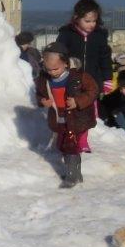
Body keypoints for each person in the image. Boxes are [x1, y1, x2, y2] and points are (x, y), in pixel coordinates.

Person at [37, 42, 97, 188]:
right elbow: (39, 93)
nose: (52, 72)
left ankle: (72, 176)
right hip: (60, 118)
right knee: (64, 146)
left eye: (55, 69)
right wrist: (42, 101)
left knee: (71, 146)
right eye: (48, 69)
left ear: (65, 63)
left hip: (77, 118)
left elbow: (93, 91)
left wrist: (77, 101)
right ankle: (76, 173)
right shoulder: (44, 79)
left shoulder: (79, 76)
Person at [55, 0, 113, 96]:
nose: (92, 24)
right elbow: (59, 54)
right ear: (76, 18)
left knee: (92, 104)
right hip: (71, 80)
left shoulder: (99, 36)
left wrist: (107, 79)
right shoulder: (67, 34)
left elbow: (105, 59)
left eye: (94, 21)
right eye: (87, 21)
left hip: (94, 81)